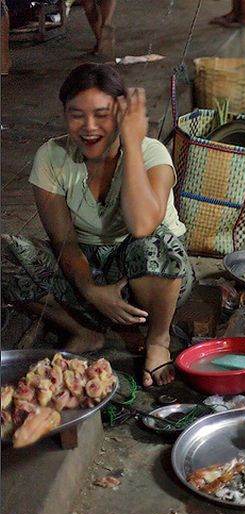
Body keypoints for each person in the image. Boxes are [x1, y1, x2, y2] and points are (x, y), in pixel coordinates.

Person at [0, 63, 194, 387]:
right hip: (85, 273)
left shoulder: (151, 153)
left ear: (121, 116)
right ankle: (85, 332)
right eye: (77, 114)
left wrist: (132, 144)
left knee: (153, 244)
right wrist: (91, 289)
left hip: (151, 279)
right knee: (5, 252)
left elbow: (143, 225)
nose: (89, 127)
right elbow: (65, 242)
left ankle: (158, 341)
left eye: (102, 115)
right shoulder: (51, 156)